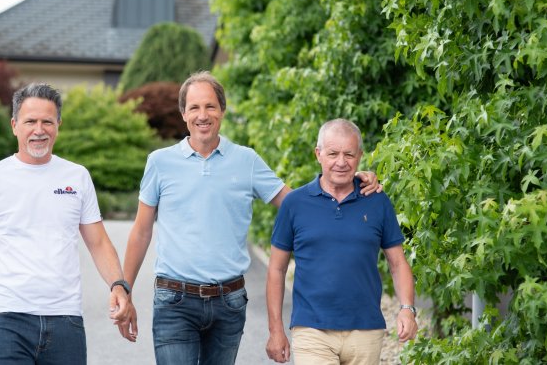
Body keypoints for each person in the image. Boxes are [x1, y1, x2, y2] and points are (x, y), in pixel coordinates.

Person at [119, 72, 381, 365]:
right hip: (174, 299)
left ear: (222, 111)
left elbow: (300, 204)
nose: (202, 115)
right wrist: (124, 289)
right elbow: (141, 232)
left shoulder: (247, 160)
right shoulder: (159, 162)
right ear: (183, 114)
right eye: (194, 108)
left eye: (210, 106)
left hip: (228, 303)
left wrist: (348, 180)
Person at [0, 83, 133, 365]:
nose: (39, 130)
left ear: (58, 125)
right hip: (6, 320)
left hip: (66, 321)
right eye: (30, 121)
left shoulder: (77, 177)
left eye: (47, 122)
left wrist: (118, 285)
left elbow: (99, 243)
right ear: (15, 125)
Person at [265, 118, 417, 364]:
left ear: (360, 156)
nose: (341, 162)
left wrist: (407, 309)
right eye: (333, 153)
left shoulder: (377, 200)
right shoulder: (295, 204)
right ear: (318, 154)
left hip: (366, 330)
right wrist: (275, 330)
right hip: (311, 329)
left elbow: (398, 263)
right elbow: (276, 268)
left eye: (349, 154)